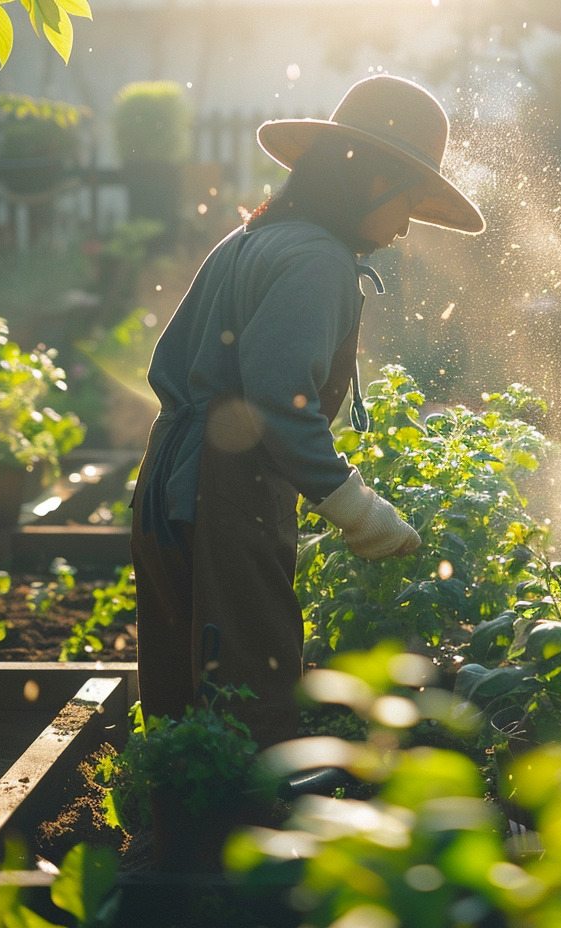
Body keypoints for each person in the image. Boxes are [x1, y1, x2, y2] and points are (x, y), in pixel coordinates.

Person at [129, 75, 485, 752]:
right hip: (225, 490)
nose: (407, 224)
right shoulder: (318, 260)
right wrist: (355, 506)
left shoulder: (250, 239)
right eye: (407, 200)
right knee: (249, 685)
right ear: (370, 177)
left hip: (168, 481)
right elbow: (279, 402)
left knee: (179, 686)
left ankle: (178, 836)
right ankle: (237, 847)